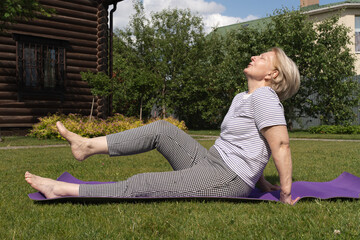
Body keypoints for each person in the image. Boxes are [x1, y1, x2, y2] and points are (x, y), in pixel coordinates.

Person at [25, 47, 301, 205]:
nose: (254, 57)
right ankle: (86, 145)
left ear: (272, 74)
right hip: (211, 162)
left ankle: (61, 190)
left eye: (262, 58)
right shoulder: (244, 97)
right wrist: (262, 182)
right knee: (162, 129)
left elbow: (280, 144)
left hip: (226, 178)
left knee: (145, 183)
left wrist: (285, 194)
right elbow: (256, 144)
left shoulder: (265, 96)